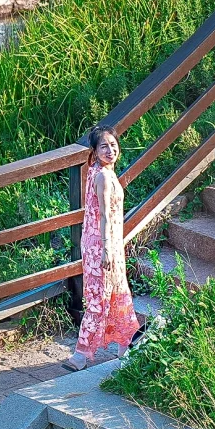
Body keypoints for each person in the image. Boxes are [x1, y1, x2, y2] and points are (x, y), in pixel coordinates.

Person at [66, 126, 140, 370]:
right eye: (104, 146)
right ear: (95, 151)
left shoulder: (100, 171)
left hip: (104, 244)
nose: (111, 150)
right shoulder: (103, 176)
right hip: (102, 245)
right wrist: (108, 249)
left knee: (119, 292)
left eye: (113, 144)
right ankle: (80, 355)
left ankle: (126, 342)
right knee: (99, 298)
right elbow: (105, 216)